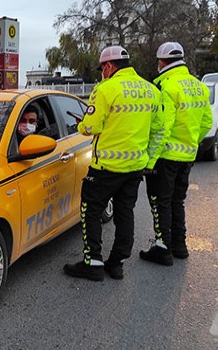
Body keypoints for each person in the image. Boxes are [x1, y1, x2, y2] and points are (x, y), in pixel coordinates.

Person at [63, 45, 163, 281]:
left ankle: (93, 263)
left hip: (105, 168)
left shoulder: (105, 89)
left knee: (90, 210)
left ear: (108, 66)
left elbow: (90, 127)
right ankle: (116, 264)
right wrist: (148, 159)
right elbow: (158, 130)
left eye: (102, 68)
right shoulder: (151, 90)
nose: (102, 73)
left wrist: (81, 123)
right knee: (124, 213)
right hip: (135, 167)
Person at [139, 42, 212, 266]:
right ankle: (180, 246)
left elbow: (163, 127)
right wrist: (191, 142)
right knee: (177, 201)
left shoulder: (167, 87)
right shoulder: (199, 86)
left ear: (162, 62)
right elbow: (207, 122)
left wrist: (150, 160)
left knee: (160, 202)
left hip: (165, 157)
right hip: (187, 157)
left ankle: (162, 248)